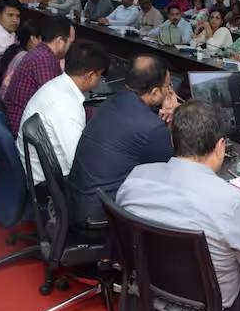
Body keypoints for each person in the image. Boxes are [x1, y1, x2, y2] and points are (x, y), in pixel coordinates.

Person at [117, 99, 240, 311]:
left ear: (172, 139)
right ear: (220, 147)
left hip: (148, 296)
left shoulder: (136, 178)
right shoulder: (232, 202)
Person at [67, 55, 178, 223]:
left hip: (76, 200)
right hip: (100, 214)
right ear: (155, 92)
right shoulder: (152, 128)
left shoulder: (112, 102)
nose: (169, 91)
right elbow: (173, 170)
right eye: (168, 87)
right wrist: (173, 123)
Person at [17, 42, 110, 184]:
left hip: (34, 168)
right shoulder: (67, 104)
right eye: (100, 76)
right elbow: (78, 164)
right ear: (90, 76)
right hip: (46, 182)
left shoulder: (57, 84)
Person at [4, 17, 75, 134]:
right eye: (70, 42)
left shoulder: (41, 53)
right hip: (24, 128)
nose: (71, 48)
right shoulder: (44, 60)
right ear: (59, 41)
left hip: (21, 120)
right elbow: (54, 103)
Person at [0, 20, 41, 99]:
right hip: (5, 100)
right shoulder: (23, 58)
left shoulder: (13, 49)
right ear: (33, 39)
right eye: (41, 39)